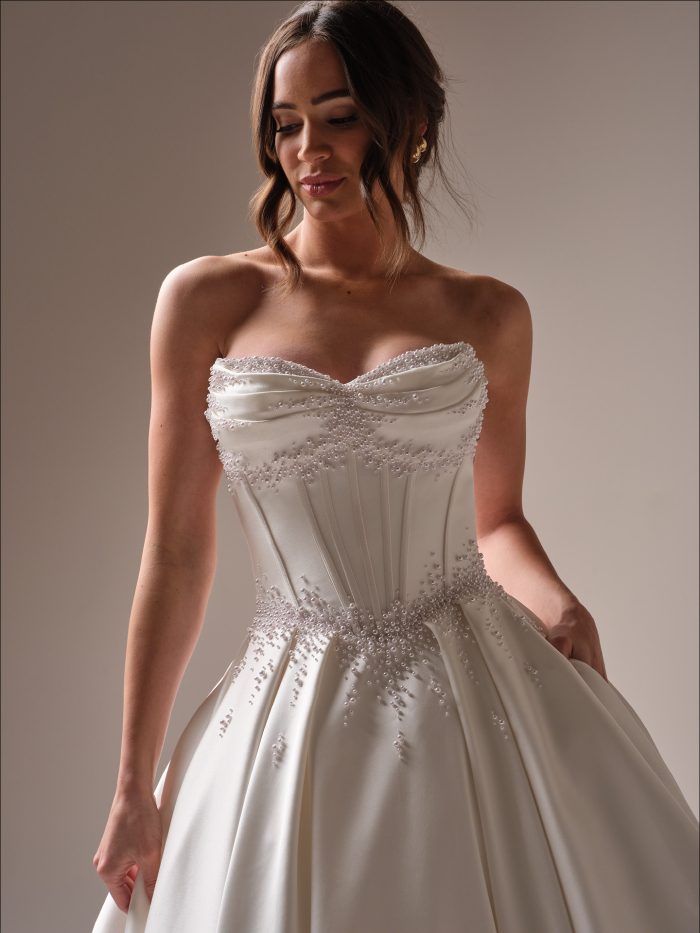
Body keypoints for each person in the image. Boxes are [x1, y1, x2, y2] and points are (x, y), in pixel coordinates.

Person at [91, 2, 699, 931]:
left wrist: (561, 602)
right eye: (285, 125)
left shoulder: (488, 312)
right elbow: (174, 553)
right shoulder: (208, 298)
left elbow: (496, 521)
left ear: (407, 120)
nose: (308, 151)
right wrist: (133, 783)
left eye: (339, 117)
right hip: (287, 694)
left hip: (472, 670)